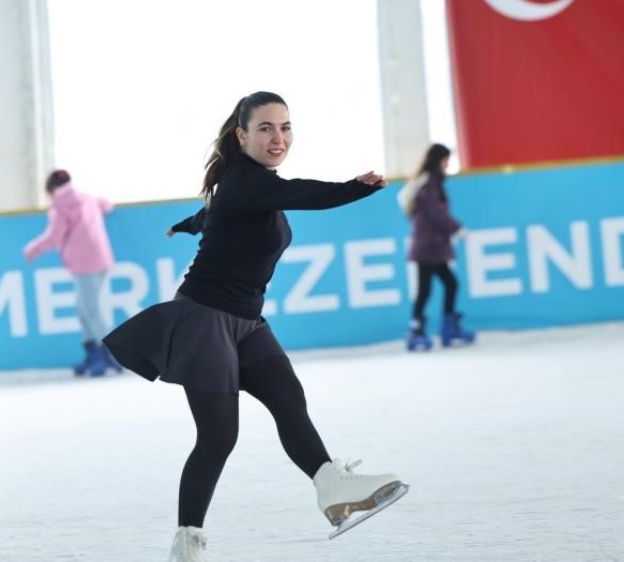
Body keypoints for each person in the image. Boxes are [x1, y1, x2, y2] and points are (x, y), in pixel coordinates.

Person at [103, 92, 409, 561]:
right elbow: (300, 194)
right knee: (219, 437)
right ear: (242, 135)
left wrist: (190, 222)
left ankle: (331, 486)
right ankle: (188, 543)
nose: (278, 138)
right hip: (204, 320)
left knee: (288, 397)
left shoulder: (248, 187)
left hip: (247, 322)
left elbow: (219, 213)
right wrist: (354, 187)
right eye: (266, 128)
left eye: (285, 127)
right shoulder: (247, 181)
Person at [23, 170, 123, 376]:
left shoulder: (59, 206)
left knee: (92, 310)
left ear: (50, 189)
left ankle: (110, 355)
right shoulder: (87, 198)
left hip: (84, 263)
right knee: (82, 307)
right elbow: (107, 205)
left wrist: (32, 249)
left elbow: (54, 236)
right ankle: (94, 353)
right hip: (101, 257)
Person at [397, 143, 476, 351]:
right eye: (446, 160)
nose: (448, 164)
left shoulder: (431, 182)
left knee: (450, 283)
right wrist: (458, 229)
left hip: (434, 245)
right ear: (438, 160)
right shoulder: (428, 184)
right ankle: (416, 329)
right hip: (427, 246)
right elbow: (436, 213)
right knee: (426, 289)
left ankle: (447, 327)